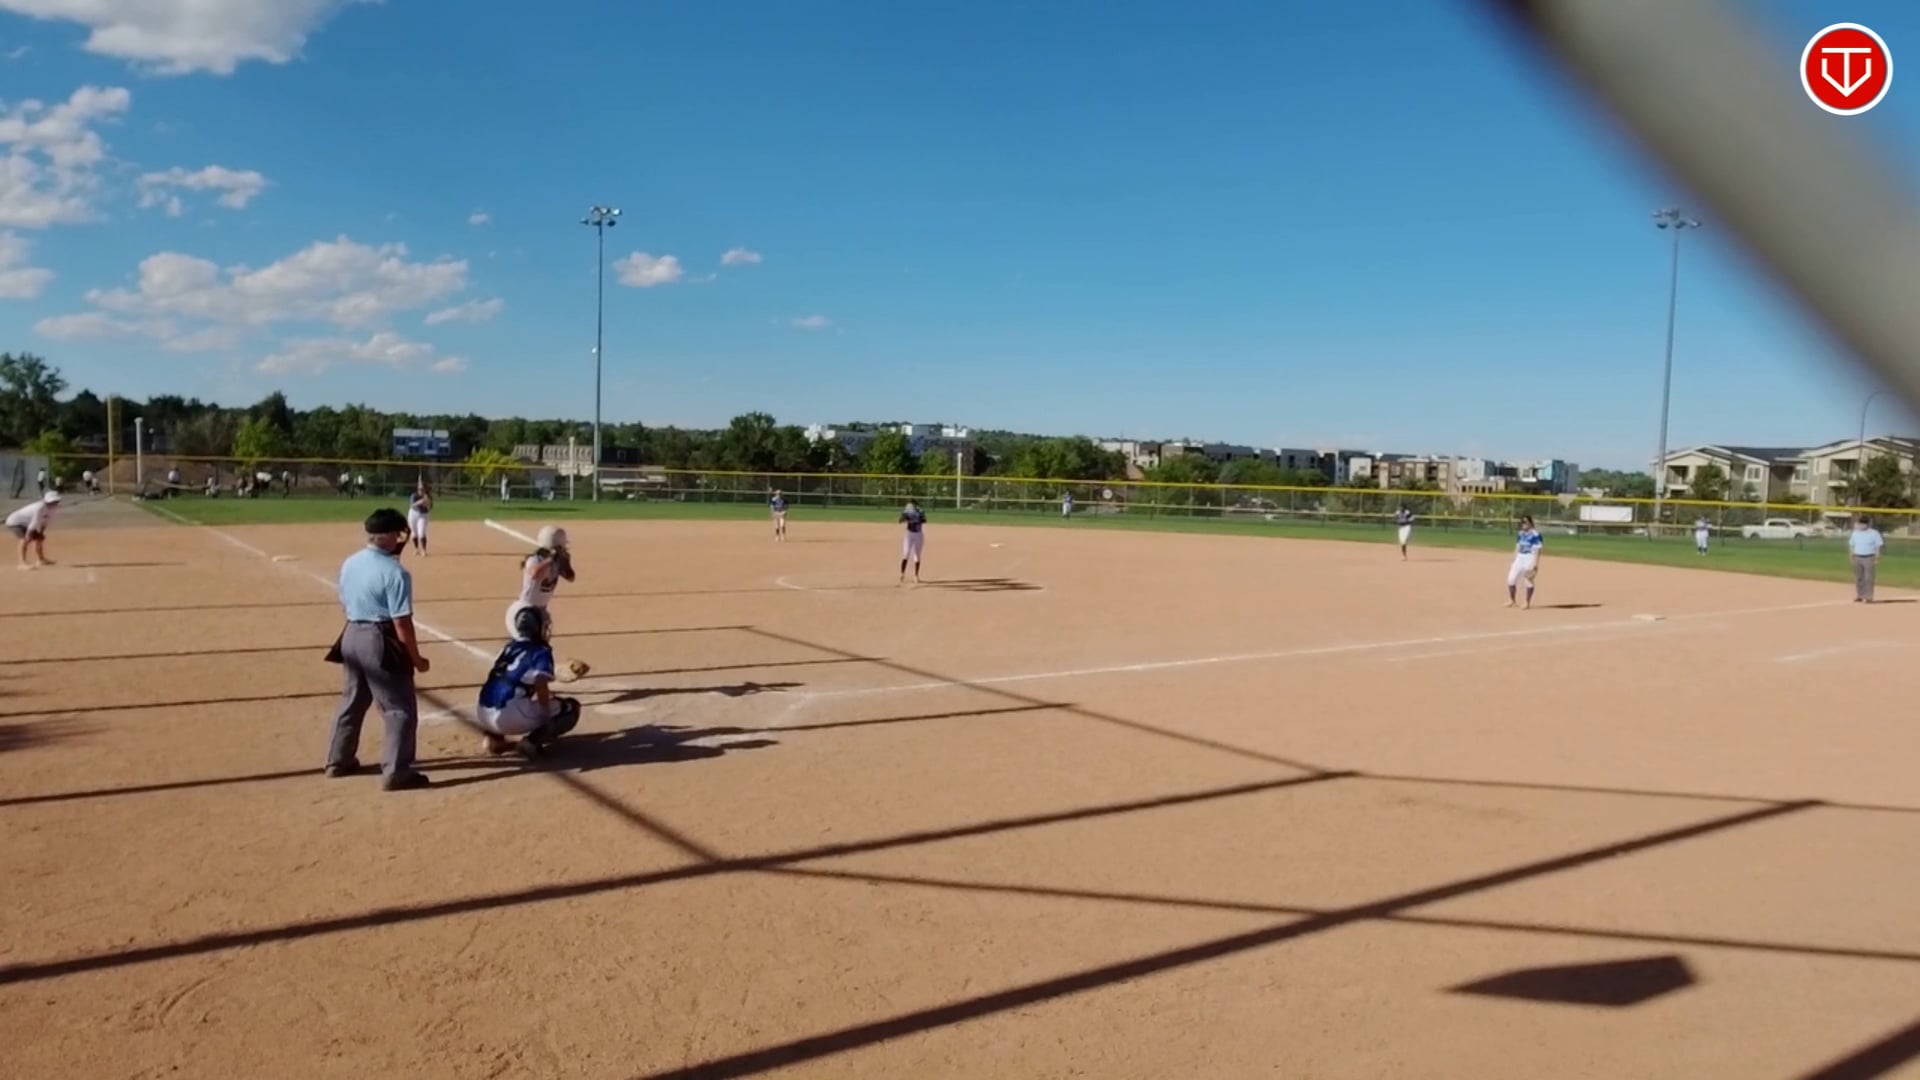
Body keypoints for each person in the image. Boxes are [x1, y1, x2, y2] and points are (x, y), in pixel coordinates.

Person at [324, 508, 431, 790]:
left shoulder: (351, 562)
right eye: (399, 534)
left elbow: (345, 601)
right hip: (379, 639)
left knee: (352, 700)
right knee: (399, 709)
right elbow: (402, 623)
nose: (401, 539)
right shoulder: (396, 573)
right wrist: (416, 659)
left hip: (350, 634)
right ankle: (397, 772)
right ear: (389, 536)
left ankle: (338, 760)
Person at [477, 606, 584, 759]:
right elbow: (540, 684)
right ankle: (531, 743)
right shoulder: (541, 651)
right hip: (510, 716)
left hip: (483, 713)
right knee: (570, 708)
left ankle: (494, 739)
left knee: (504, 695)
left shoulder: (509, 647)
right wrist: (546, 716)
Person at [506, 525, 576, 640]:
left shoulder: (556, 563)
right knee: (529, 645)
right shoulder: (535, 559)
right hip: (525, 611)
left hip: (540, 611)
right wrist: (551, 559)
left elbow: (571, 578)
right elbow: (534, 573)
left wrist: (565, 563)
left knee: (539, 644)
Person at [7, 491, 59, 570]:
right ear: (46, 501)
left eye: (55, 502)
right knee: (24, 540)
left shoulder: (53, 509)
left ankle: (41, 560)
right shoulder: (39, 507)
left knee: (40, 538)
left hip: (26, 523)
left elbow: (46, 521)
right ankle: (22, 563)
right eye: (51, 502)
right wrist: (28, 535)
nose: (53, 503)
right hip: (14, 522)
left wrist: (41, 533)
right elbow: (34, 522)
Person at [1506, 513, 1545, 609]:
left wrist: (1535, 564)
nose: (1523, 524)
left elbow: (1537, 550)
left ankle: (1527, 602)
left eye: (1525, 522)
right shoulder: (1520, 534)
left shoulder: (1536, 535)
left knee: (1528, 580)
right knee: (1511, 579)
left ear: (1530, 523)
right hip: (1519, 557)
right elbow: (1517, 547)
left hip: (1529, 557)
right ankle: (1512, 600)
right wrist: (1513, 559)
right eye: (1522, 522)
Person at [1849, 514, 1884, 603]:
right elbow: (1852, 545)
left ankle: (1868, 596)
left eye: (1862, 523)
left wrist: (1877, 557)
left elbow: (1878, 545)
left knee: (1868, 578)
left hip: (1869, 557)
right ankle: (1860, 595)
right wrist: (1851, 555)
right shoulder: (1855, 533)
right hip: (1857, 556)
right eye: (1859, 523)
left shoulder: (1874, 533)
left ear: (1867, 524)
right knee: (1859, 577)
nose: (1860, 525)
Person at [899, 500, 927, 583]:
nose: (910, 506)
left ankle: (916, 575)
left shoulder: (920, 511)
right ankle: (902, 574)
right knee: (906, 553)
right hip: (909, 534)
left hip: (918, 535)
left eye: (912, 505)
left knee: (917, 555)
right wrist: (904, 516)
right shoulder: (907, 512)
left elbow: (924, 520)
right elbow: (900, 521)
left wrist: (916, 519)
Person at [407, 482, 433, 556]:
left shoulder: (428, 496)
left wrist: (427, 502)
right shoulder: (414, 495)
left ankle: (423, 550)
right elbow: (412, 505)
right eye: (419, 489)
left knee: (421, 533)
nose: (421, 490)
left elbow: (430, 507)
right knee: (414, 533)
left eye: (422, 489)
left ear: (425, 489)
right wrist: (420, 502)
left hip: (423, 515)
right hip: (413, 513)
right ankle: (416, 549)